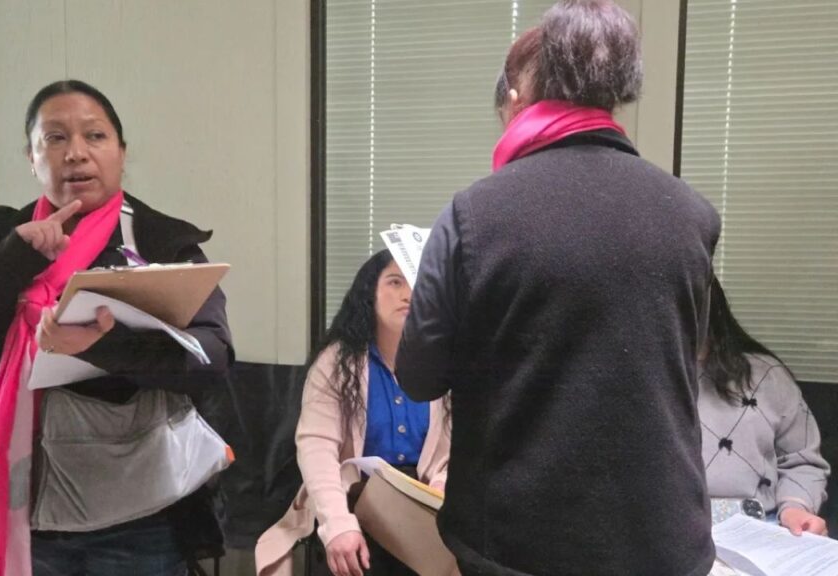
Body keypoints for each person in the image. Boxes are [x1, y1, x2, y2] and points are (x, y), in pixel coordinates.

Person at [396, 2, 722, 575]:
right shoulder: (692, 215)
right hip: (665, 542)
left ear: (519, 97)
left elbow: (419, 376)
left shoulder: (473, 216)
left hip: (520, 546)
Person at [0, 79, 232, 576]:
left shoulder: (160, 241)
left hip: (140, 526)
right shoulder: (0, 235)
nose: (76, 154)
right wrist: (12, 260)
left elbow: (213, 358)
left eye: (95, 136)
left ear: (122, 152)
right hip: (20, 516)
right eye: (55, 138)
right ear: (31, 156)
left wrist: (107, 344)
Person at [255, 250, 451, 576]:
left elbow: (460, 447)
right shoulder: (337, 363)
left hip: (425, 506)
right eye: (394, 282)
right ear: (369, 292)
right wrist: (338, 525)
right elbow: (317, 448)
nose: (408, 294)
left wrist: (444, 488)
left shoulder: (444, 362)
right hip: (353, 499)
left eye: (418, 284)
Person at [700, 275, 829, 535]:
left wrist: (795, 507)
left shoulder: (766, 375)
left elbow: (803, 460)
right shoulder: (626, 382)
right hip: (658, 538)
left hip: (761, 528)